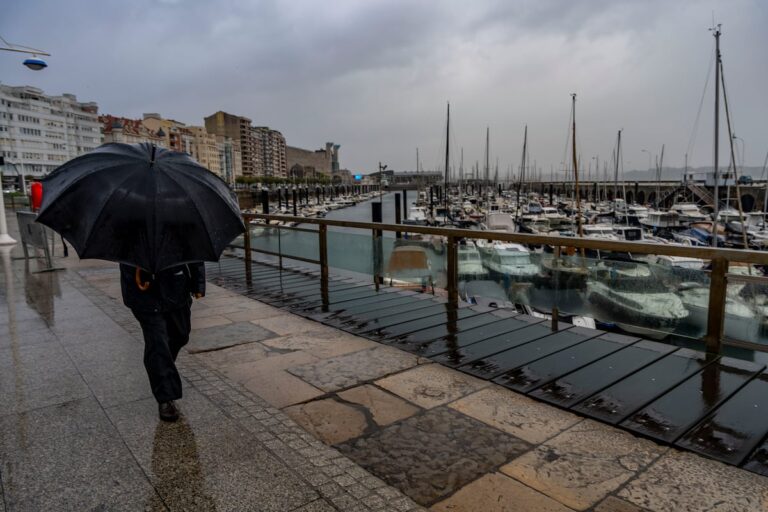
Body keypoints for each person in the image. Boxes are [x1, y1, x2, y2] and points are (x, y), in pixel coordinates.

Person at [119, 262, 205, 421]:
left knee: (181, 335)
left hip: (176, 287)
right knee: (158, 342)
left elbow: (194, 246)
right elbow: (121, 251)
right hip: (142, 291)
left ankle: (159, 367)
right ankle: (165, 398)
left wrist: (198, 282)